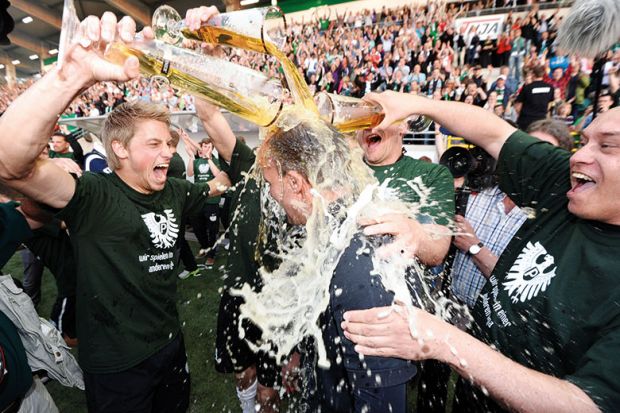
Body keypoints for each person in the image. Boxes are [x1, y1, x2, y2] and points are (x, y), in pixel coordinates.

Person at [0, 14, 229, 413]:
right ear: (120, 150)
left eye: (169, 143)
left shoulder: (173, 189)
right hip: (117, 366)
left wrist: (219, 182)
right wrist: (71, 77)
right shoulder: (93, 196)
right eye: (155, 143)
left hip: (170, 345)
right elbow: (10, 162)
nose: (168, 153)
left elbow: (206, 189)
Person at [342, 90, 618, 412]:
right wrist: (418, 104)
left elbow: (584, 405)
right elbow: (495, 133)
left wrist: (442, 340)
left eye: (607, 145)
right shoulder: (565, 183)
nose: (579, 156)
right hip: (473, 386)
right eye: (583, 142)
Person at [256, 109, 417, 412]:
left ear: (294, 182)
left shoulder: (359, 259)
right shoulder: (328, 230)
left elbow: (382, 400)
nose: (271, 194)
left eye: (269, 183)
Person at [186, 138, 222, 266]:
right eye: (204, 146)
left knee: (212, 230)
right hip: (198, 201)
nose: (206, 148)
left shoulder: (216, 161)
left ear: (212, 148)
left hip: (212, 201)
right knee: (197, 228)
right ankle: (205, 248)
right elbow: (190, 173)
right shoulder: (197, 161)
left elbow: (218, 175)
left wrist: (209, 159)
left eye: (209, 146)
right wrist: (191, 157)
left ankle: (211, 255)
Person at [515, 65, 554, 130]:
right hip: (541, 120)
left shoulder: (527, 88)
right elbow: (550, 104)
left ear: (533, 74)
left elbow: (518, 106)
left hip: (526, 120)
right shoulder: (550, 87)